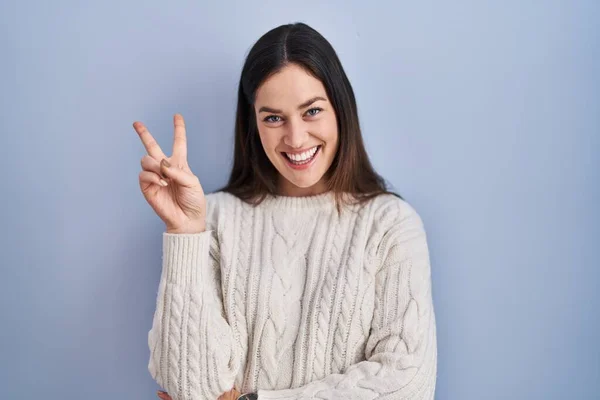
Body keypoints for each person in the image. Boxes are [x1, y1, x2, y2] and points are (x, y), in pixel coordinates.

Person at [133, 22, 437, 400]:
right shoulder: (214, 219)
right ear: (253, 125)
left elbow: (408, 384)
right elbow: (189, 387)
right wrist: (185, 232)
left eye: (311, 111)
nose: (295, 139)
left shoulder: (390, 225)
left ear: (340, 109)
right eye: (273, 118)